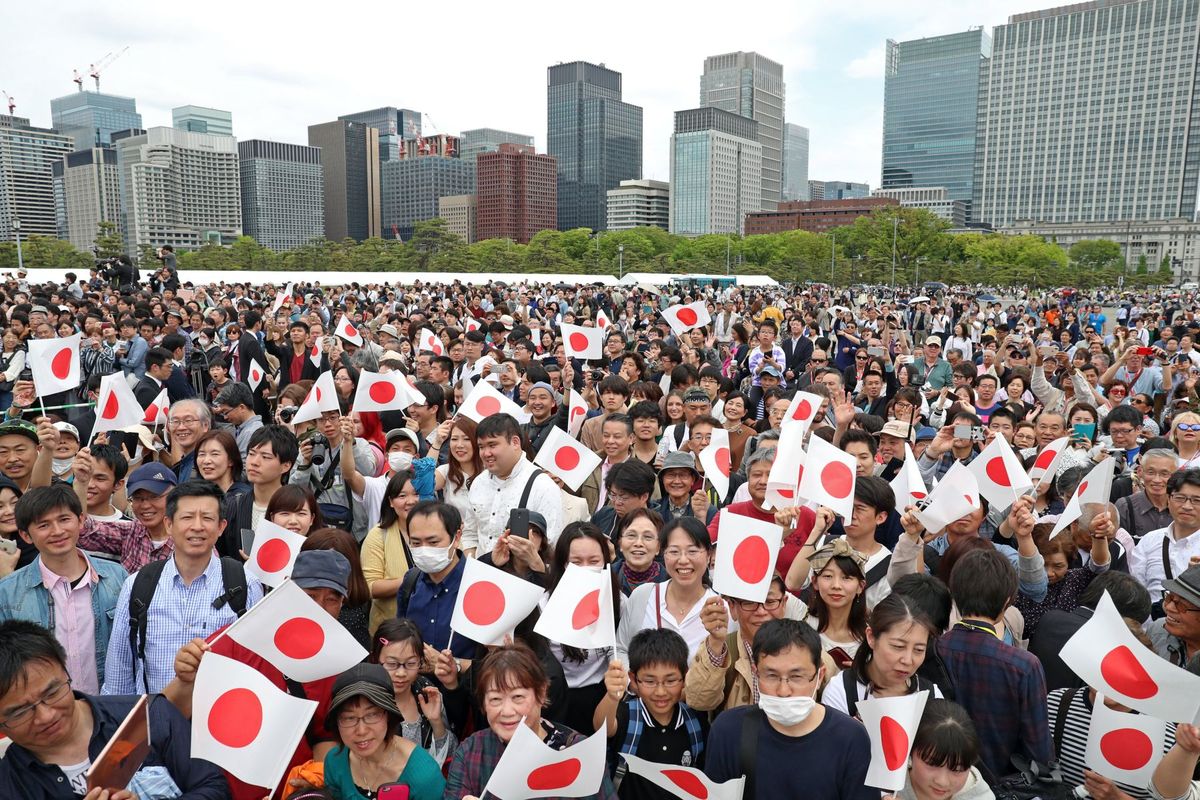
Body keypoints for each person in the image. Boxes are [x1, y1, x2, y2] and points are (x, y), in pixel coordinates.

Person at [0, 620, 229, 799]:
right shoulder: (8, 784)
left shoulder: (148, 715)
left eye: (52, 693)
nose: (46, 716)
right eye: (20, 712)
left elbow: (215, 789)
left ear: (65, 672)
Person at [103, 479, 265, 694]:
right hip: (157, 719)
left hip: (219, 720)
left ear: (221, 527)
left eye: (207, 518)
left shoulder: (245, 583)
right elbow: (119, 674)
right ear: (169, 524)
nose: (197, 526)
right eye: (187, 517)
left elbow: (257, 668)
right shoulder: (138, 585)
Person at [704, 618, 875, 800]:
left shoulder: (851, 738)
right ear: (756, 673)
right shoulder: (729, 731)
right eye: (771, 676)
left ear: (819, 676)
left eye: (796, 677)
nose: (783, 691)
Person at [444, 644, 619, 800]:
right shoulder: (470, 751)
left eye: (518, 697)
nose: (507, 711)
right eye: (496, 699)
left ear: (541, 693)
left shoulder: (578, 752)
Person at [935, 548, 1053, 777]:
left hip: (936, 780)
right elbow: (1038, 751)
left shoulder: (932, 650)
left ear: (955, 595)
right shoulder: (1024, 665)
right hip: (1001, 786)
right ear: (1007, 602)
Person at [0, 485, 128, 695]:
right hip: (46, 713)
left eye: (64, 520)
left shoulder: (118, 577)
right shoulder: (7, 593)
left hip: (109, 707)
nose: (57, 531)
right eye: (44, 525)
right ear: (25, 535)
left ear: (80, 520)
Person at [595, 629, 708, 799]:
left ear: (685, 677)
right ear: (633, 679)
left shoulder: (695, 721)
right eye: (649, 681)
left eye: (670, 681)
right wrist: (611, 696)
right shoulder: (628, 715)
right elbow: (602, 727)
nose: (660, 691)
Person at [322, 662, 447, 800]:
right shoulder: (335, 762)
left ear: (388, 715)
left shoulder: (424, 776)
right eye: (349, 718)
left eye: (372, 715)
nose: (361, 731)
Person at [616, 517, 720, 664]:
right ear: (663, 553)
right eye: (674, 551)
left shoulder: (719, 610)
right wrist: (633, 682)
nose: (683, 560)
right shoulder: (643, 596)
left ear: (709, 555)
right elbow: (621, 649)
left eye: (692, 551)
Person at [822, 592, 943, 718]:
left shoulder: (931, 697)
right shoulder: (841, 692)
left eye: (918, 650)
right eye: (898, 646)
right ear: (871, 637)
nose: (907, 660)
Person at [465, 413, 563, 557]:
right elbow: (470, 534)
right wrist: (471, 562)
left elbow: (551, 544)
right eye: (481, 446)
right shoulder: (478, 483)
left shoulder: (542, 486)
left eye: (492, 445)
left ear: (515, 442)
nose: (486, 453)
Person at [395, 501, 476, 660]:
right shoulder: (411, 582)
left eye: (433, 542)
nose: (424, 549)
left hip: (465, 684)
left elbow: (494, 660)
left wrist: (453, 666)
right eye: (416, 543)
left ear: (457, 537)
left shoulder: (478, 584)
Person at [371, 618, 458, 766]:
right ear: (375, 659)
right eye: (392, 664)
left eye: (411, 663)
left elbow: (451, 754)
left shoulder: (426, 692)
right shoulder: (368, 699)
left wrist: (436, 721)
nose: (401, 673)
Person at [73, 459, 178, 573]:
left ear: (174, 496)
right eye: (138, 498)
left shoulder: (188, 536)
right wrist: (81, 483)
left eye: (154, 496)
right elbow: (85, 530)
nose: (145, 505)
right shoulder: (131, 532)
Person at [885, 699, 995, 800]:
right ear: (910, 751)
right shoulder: (884, 785)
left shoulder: (981, 797)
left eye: (957, 770)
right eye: (931, 764)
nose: (942, 782)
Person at [221, 424, 299, 558]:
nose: (254, 462)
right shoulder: (233, 505)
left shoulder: (299, 508)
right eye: (251, 454)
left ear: (286, 466)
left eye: (266, 457)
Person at [1133, 468, 1200, 615]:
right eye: (1180, 498)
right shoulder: (1149, 540)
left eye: (1196, 500)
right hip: (1153, 631)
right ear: (1168, 499)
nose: (1187, 506)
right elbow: (1136, 592)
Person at [361, 469, 419, 633]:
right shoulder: (378, 535)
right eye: (402, 496)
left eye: (416, 494)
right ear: (391, 502)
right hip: (390, 631)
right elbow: (370, 587)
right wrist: (413, 579)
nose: (410, 501)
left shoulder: (442, 531)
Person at [613, 507, 666, 595]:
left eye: (648, 537)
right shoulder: (607, 578)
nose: (638, 543)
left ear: (658, 547)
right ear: (620, 543)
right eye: (631, 535)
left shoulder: (670, 582)